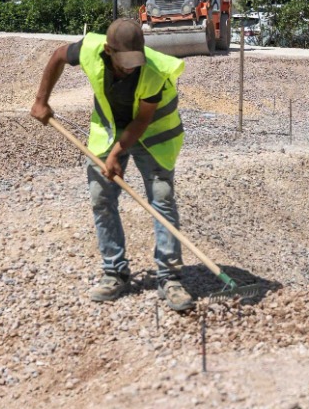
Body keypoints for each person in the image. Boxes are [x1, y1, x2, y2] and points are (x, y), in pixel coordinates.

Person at [30, 18, 194, 312]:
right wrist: (42, 100)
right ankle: (114, 271)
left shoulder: (154, 71)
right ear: (108, 50)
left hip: (153, 133)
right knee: (101, 197)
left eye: (135, 62)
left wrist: (116, 154)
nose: (131, 68)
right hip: (109, 129)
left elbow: (142, 120)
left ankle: (169, 278)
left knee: (162, 198)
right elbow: (57, 56)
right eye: (124, 63)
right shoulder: (91, 48)